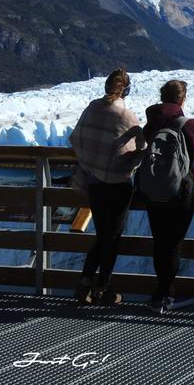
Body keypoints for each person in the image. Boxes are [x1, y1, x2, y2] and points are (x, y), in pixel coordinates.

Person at [142, 79, 194, 313]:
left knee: (160, 241)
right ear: (182, 99)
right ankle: (166, 297)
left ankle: (160, 294)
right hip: (180, 190)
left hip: (152, 190)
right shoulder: (189, 124)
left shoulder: (151, 123)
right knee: (173, 243)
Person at [69, 68, 145, 305]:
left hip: (95, 183)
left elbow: (76, 138)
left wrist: (92, 162)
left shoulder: (92, 107)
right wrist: (128, 165)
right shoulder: (127, 116)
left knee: (103, 235)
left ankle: (86, 283)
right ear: (127, 90)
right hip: (119, 186)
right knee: (111, 237)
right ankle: (103, 288)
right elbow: (141, 148)